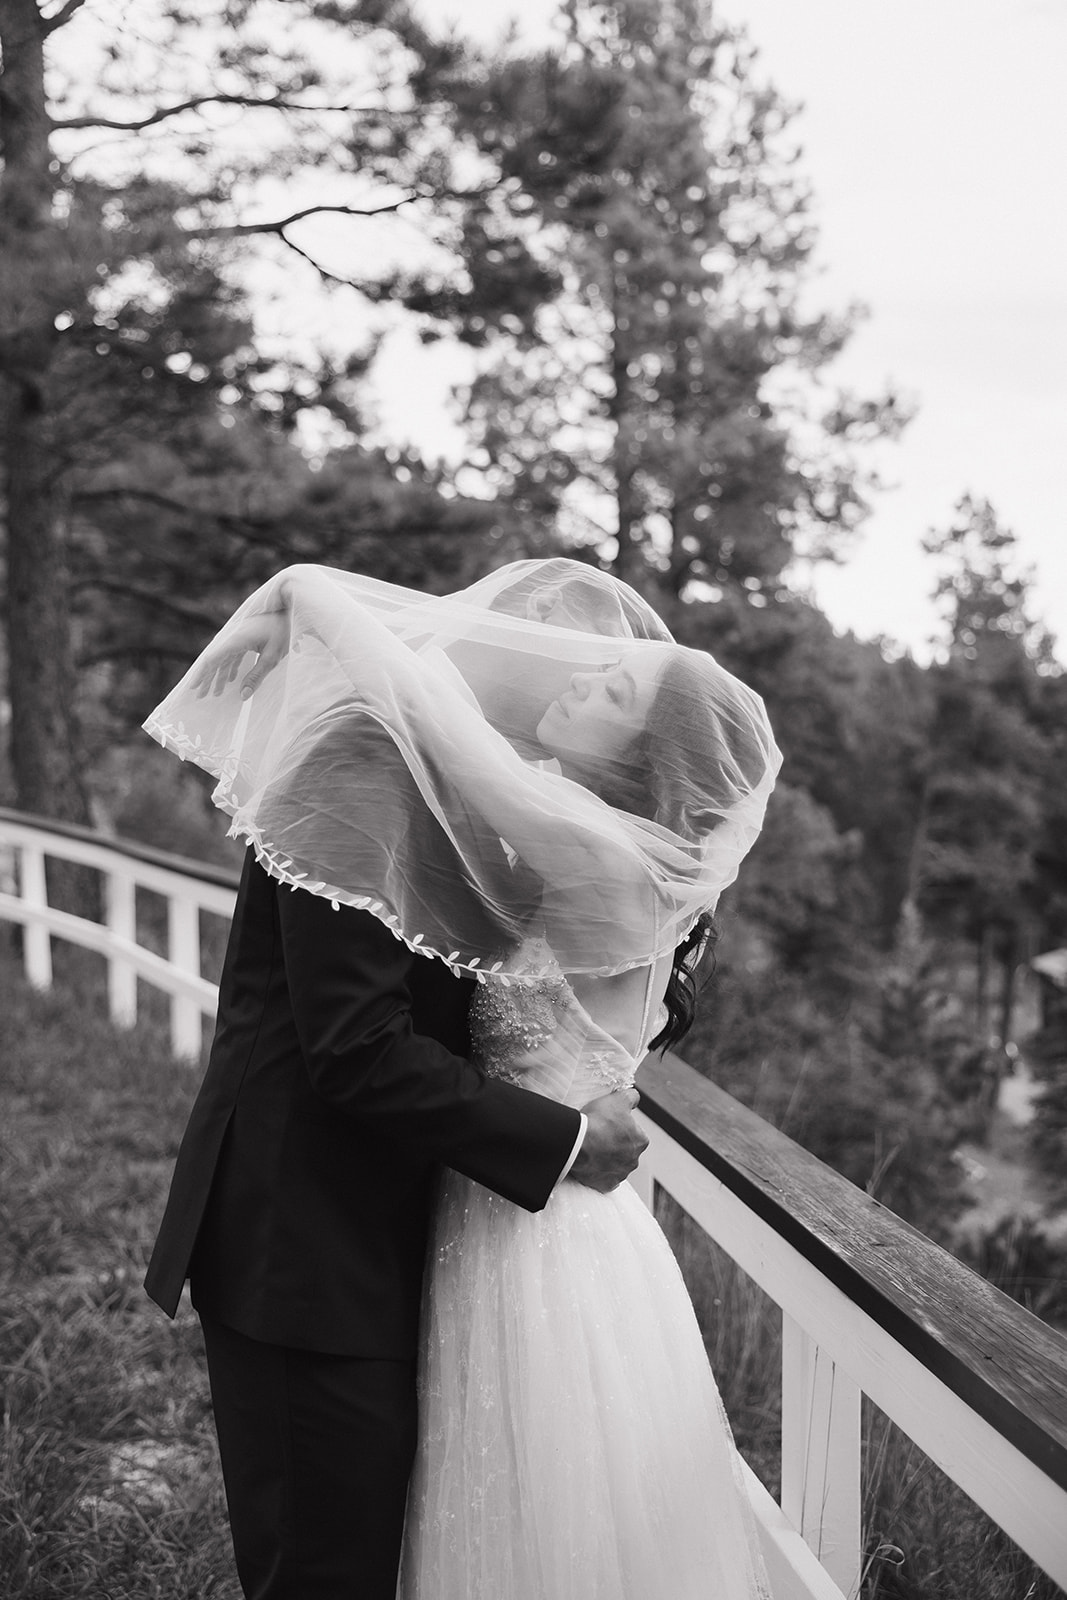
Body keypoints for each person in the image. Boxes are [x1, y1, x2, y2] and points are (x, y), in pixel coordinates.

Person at [144, 560, 780, 1600]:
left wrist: (300, 598)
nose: (564, 677)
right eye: (565, 654)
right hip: (311, 1245)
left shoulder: (559, 836)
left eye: (604, 682)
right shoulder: (363, 760)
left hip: (484, 1243)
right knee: (333, 1567)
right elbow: (352, 1048)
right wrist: (299, 589)